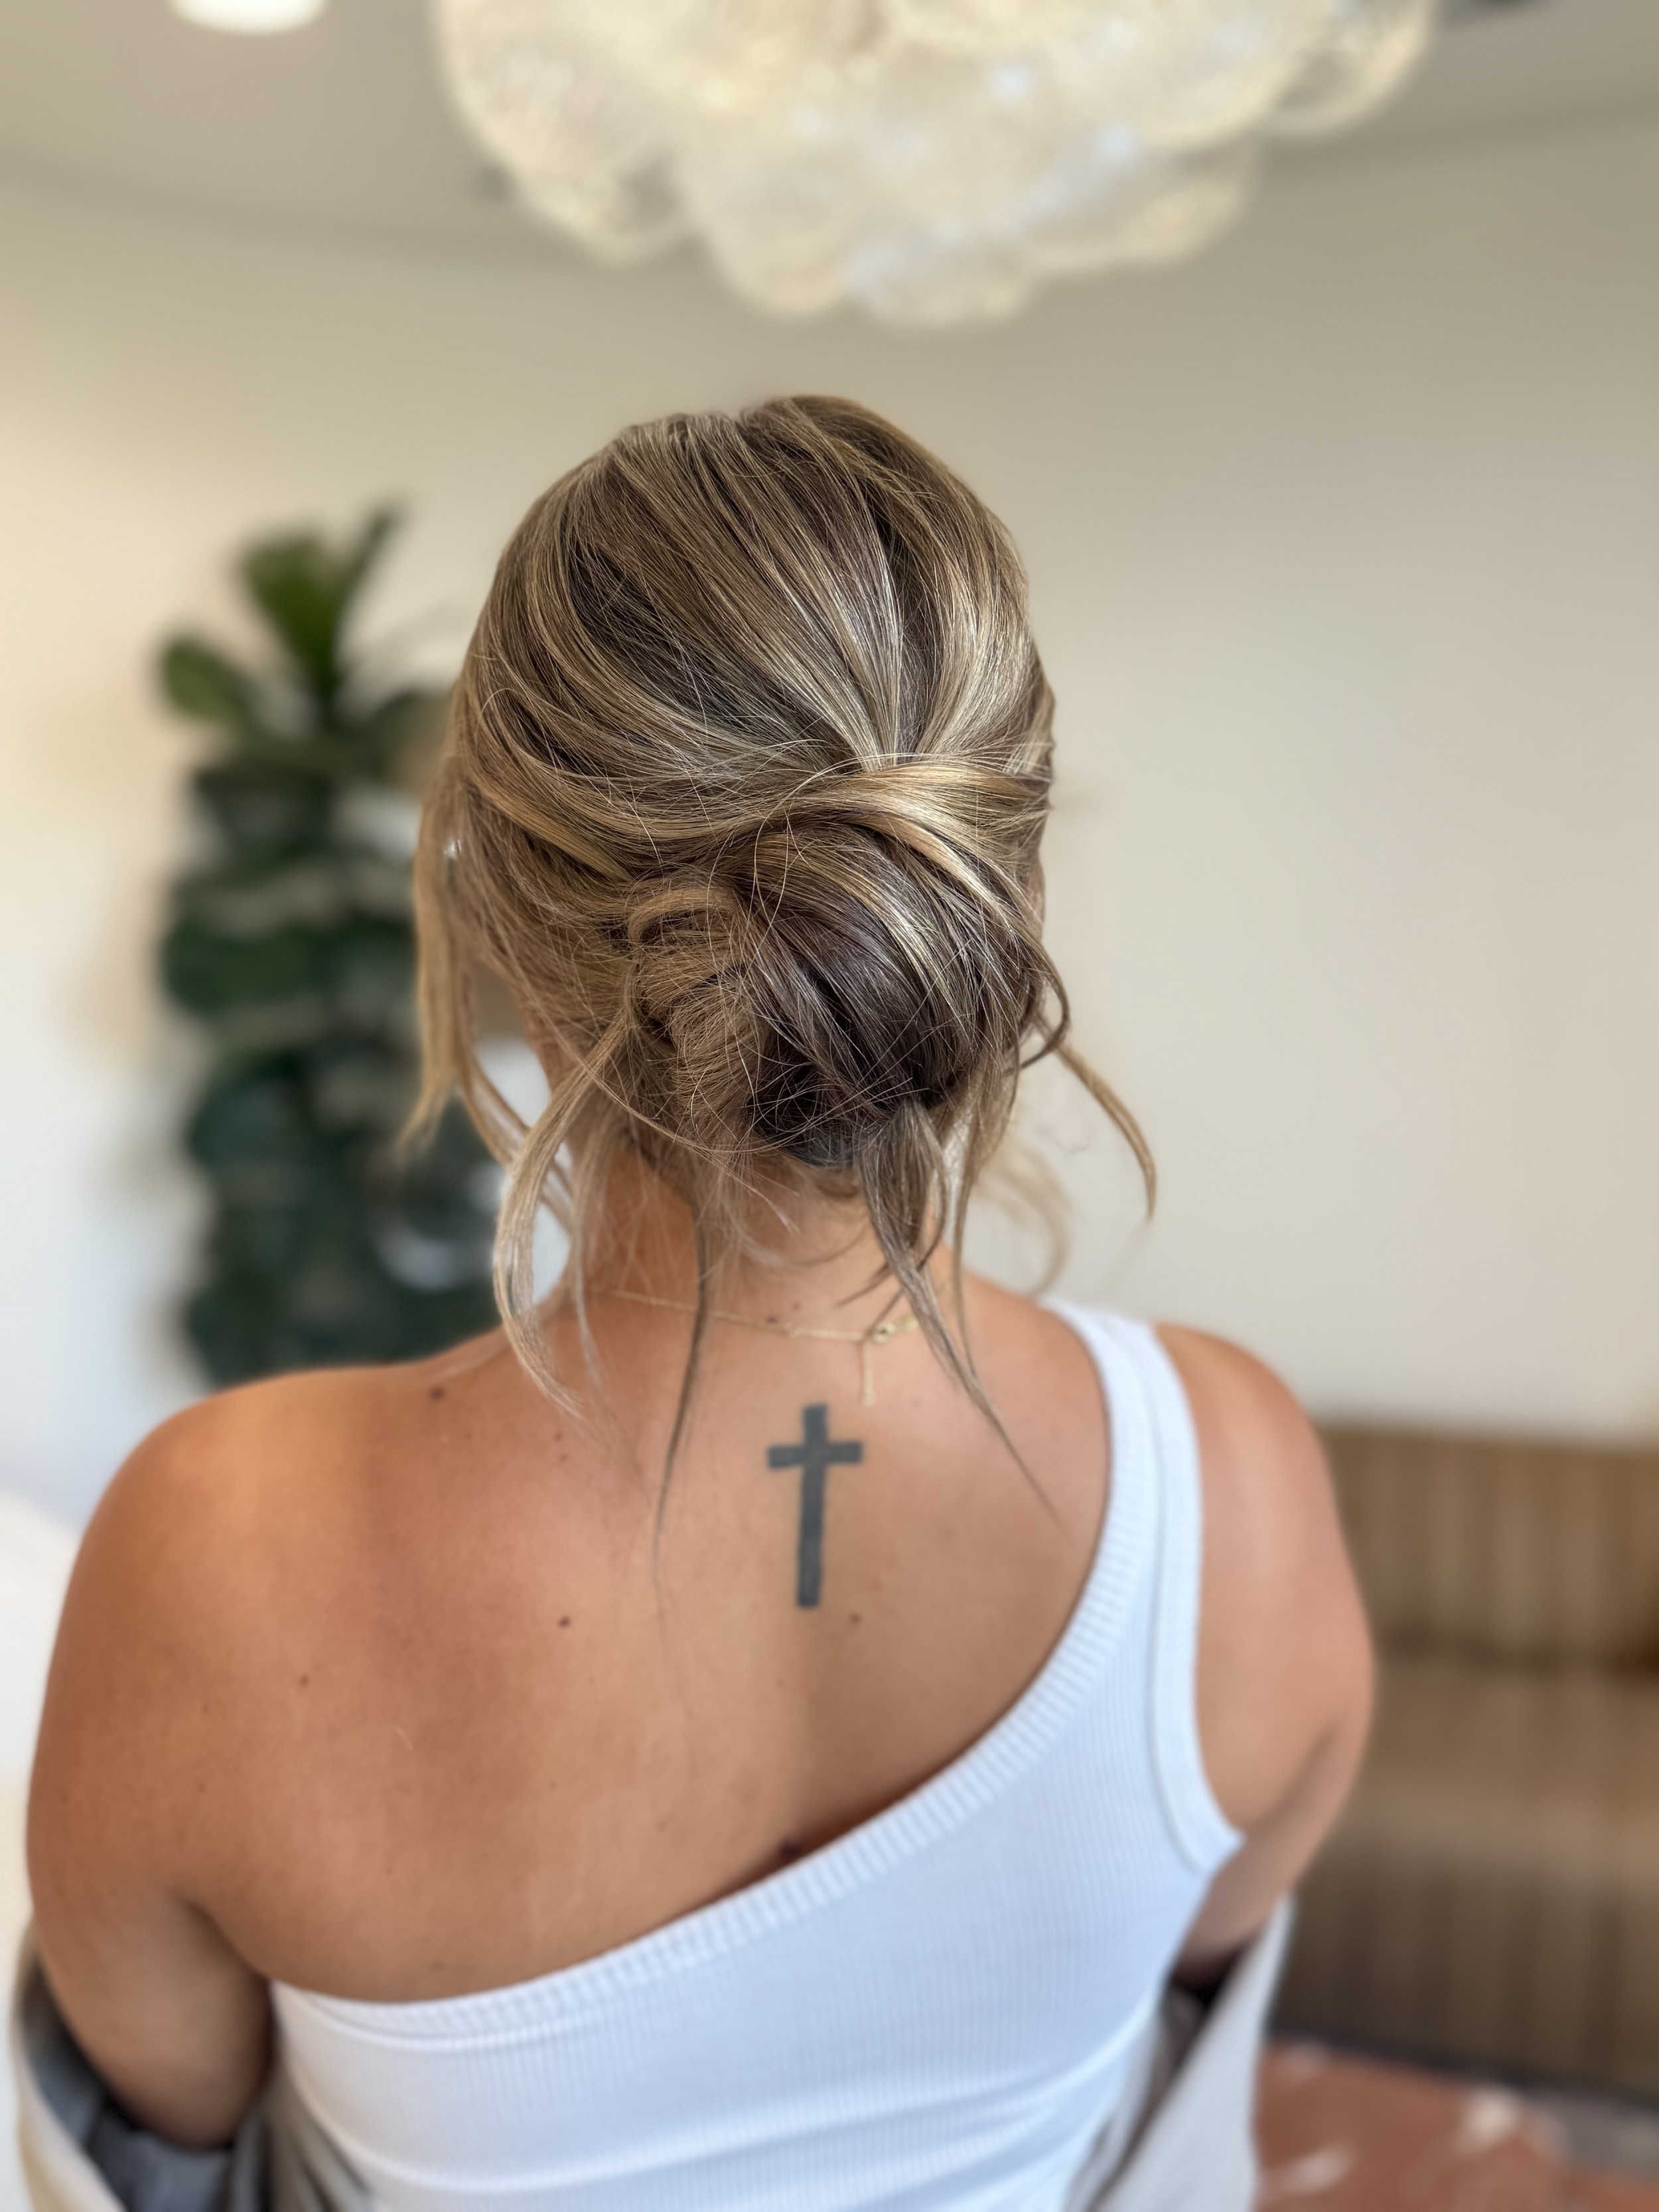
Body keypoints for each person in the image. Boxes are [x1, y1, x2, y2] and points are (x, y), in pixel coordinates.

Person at [24, 397, 1372, 2211]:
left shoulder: (215, 1548)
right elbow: (1167, 2036)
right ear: (997, 890)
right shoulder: (1239, 1487)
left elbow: (151, 2152)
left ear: (496, 913)